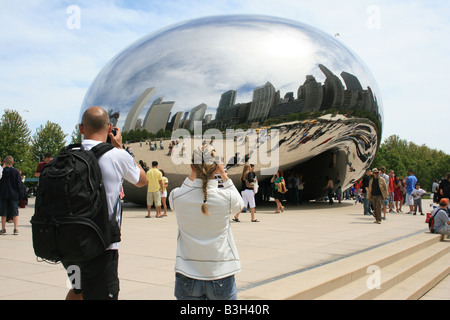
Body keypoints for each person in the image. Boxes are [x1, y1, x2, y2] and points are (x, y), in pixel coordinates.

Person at [64, 106, 147, 300]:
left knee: (78, 289)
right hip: (101, 246)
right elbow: (142, 180)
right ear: (110, 128)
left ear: (80, 128)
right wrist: (119, 147)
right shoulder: (116, 155)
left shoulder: (67, 154)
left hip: (69, 246)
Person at [169, 146, 244, 300]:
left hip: (187, 273)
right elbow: (240, 205)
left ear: (192, 167)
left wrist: (194, 172)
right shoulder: (227, 197)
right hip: (220, 271)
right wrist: (223, 174)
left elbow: (185, 189)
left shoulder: (176, 196)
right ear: (216, 168)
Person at [0, 156, 24, 235]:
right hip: (13, 194)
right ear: (12, 162)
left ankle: (3, 228)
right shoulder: (16, 172)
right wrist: (21, 195)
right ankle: (15, 228)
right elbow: (19, 184)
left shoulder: (2, 172)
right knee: (15, 212)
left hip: (3, 194)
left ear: (4, 162)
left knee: (3, 213)